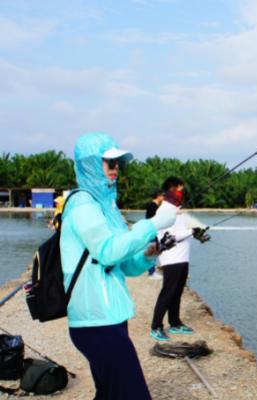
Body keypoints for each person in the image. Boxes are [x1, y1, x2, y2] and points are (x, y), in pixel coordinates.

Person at [60, 132, 176, 400]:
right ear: (90, 164)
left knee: (110, 393)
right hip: (94, 322)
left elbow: (125, 267)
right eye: (110, 163)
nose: (116, 171)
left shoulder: (106, 207)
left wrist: (148, 255)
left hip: (111, 317)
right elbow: (107, 251)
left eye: (119, 164)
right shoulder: (82, 204)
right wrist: (154, 223)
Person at [150, 176, 210, 341]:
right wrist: (191, 232)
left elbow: (182, 230)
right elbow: (168, 235)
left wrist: (197, 234)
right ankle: (155, 327)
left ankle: (175, 323)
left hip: (183, 258)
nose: (182, 193)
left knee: (177, 292)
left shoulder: (177, 210)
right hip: (172, 258)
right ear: (171, 190)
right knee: (168, 293)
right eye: (180, 190)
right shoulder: (164, 211)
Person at [146, 189, 165, 279]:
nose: (164, 197)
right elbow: (152, 220)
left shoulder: (155, 206)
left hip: (153, 232)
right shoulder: (153, 206)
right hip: (151, 232)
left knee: (155, 250)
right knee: (153, 251)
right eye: (163, 195)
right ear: (158, 196)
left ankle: (153, 271)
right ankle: (151, 273)